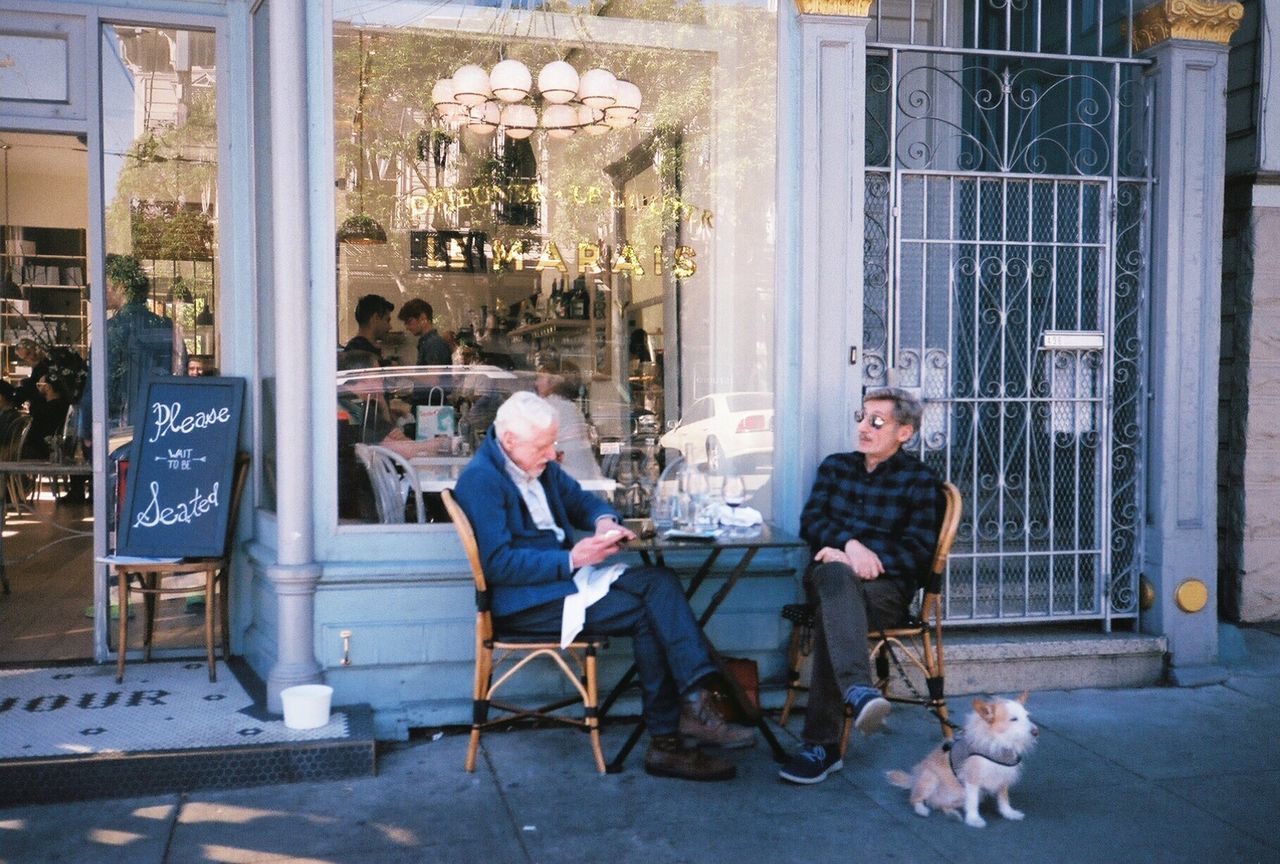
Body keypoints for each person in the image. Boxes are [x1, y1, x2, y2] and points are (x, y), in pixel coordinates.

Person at [452, 391, 754, 781]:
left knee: (659, 585)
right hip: (527, 603)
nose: (551, 455)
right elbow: (498, 565)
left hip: (565, 585)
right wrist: (572, 558)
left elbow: (584, 501)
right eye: (543, 446)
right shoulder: (482, 481)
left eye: (553, 444)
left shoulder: (536, 464)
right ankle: (680, 725)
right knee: (653, 604)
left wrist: (604, 522)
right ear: (509, 440)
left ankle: (688, 713)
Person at [779, 386, 941, 785]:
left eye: (877, 421)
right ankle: (859, 690)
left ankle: (821, 747)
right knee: (834, 579)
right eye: (862, 418)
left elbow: (919, 552)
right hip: (830, 578)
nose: (864, 428)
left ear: (904, 432)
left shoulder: (919, 481)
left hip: (885, 593)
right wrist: (851, 549)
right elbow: (811, 523)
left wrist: (871, 560)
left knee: (835, 613)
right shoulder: (837, 467)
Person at [396, 298, 452, 366]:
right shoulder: (428, 342)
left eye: (409, 321)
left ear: (423, 318)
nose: (407, 327)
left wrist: (403, 372)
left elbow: (433, 375)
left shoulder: (433, 343)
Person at [343, 294, 394, 362]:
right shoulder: (360, 354)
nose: (390, 327)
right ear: (376, 318)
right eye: (387, 320)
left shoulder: (355, 348)